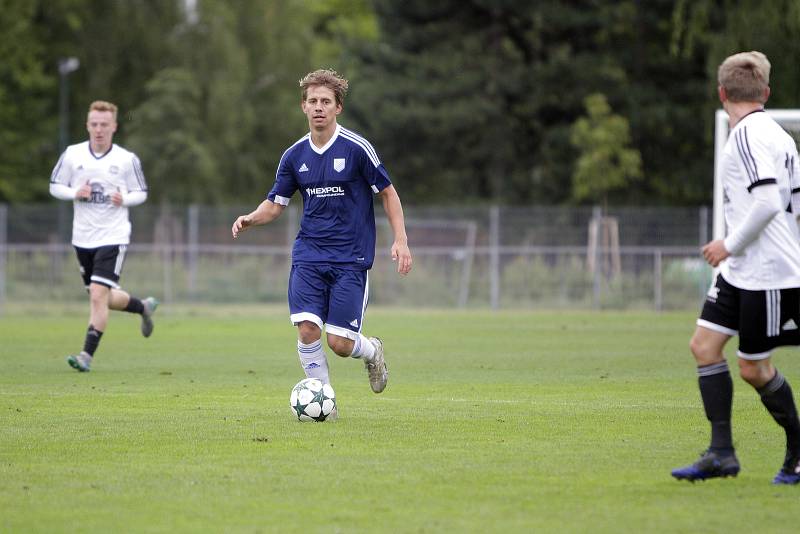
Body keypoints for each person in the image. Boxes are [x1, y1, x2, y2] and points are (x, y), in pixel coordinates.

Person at [231, 69, 412, 396]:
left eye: (325, 101)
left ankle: (372, 351)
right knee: (307, 329)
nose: (318, 107)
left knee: (340, 343)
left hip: (350, 258)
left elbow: (388, 193)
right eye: (312, 101)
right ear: (303, 106)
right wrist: (251, 218)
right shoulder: (293, 155)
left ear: (337, 107)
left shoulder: (357, 148)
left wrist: (401, 240)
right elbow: (276, 204)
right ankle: (324, 399)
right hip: (309, 255)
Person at [672, 51, 800, 484]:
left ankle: (798, 454)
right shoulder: (781, 137)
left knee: (753, 369)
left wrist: (727, 244)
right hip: (743, 271)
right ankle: (721, 454)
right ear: (765, 92)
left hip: (767, 274)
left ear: (722, 93)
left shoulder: (747, 136)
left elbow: (767, 202)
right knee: (704, 346)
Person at [49, 100, 158, 372]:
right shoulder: (73, 155)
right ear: (87, 125)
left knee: (98, 294)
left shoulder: (126, 159)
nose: (99, 129)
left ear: (114, 127)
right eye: (94, 124)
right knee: (103, 297)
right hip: (82, 237)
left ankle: (86, 355)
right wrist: (75, 193)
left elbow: (141, 192)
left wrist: (125, 199)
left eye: (104, 125)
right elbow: (55, 186)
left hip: (113, 235)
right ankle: (142, 307)